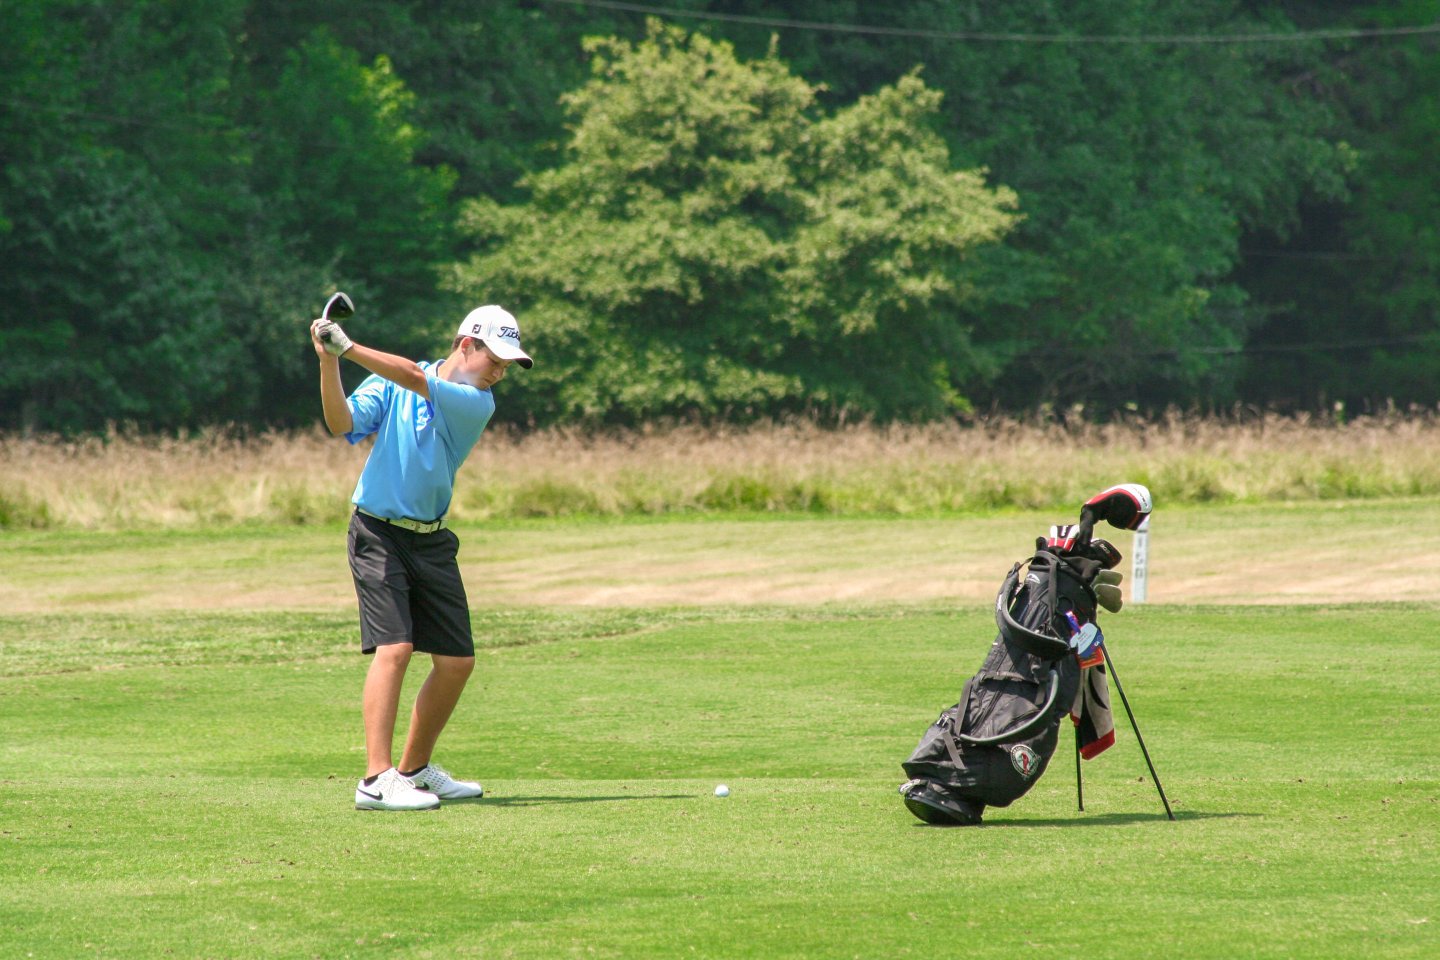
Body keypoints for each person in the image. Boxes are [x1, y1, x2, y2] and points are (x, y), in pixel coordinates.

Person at [309, 303, 532, 811]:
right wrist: (329, 363)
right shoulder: (393, 381)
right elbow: (341, 422)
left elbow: (411, 375)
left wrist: (348, 347)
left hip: (431, 539)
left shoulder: (476, 401)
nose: (500, 370)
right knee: (396, 649)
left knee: (457, 662)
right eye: (495, 357)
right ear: (466, 344)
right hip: (377, 532)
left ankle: (413, 769)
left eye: (508, 364)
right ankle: (375, 778)